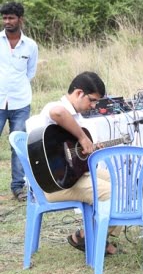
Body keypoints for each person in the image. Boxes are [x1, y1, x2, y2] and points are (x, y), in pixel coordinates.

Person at [25, 72, 120, 255]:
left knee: (121, 183)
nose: (93, 106)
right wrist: (83, 138)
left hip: (71, 176)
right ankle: (88, 237)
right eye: (91, 100)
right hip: (54, 185)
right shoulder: (56, 107)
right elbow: (58, 113)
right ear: (78, 93)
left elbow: (70, 155)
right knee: (114, 194)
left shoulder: (77, 118)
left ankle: (93, 235)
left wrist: (87, 149)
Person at [1, 2, 39, 201]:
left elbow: (30, 73)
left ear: (20, 20)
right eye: (5, 18)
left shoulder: (30, 46)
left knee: (18, 145)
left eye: (11, 18)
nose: (7, 22)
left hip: (20, 102)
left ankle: (18, 187)